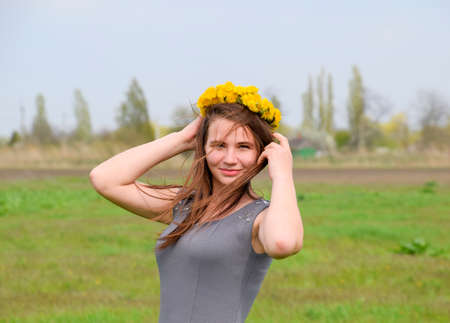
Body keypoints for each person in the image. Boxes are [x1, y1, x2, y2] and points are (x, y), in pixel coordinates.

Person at [89, 81, 304, 323]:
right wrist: (181, 139)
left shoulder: (259, 218)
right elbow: (104, 179)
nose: (230, 158)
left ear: (261, 154)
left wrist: (283, 175)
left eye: (244, 147)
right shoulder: (186, 206)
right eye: (219, 145)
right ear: (202, 146)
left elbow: (283, 243)